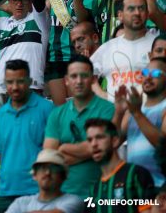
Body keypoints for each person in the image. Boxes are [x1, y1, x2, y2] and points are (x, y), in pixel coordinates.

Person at [43, 56, 115, 198]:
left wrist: (63, 149)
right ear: (66, 81)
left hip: (102, 194)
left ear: (93, 79)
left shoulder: (108, 109)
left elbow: (100, 148)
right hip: (65, 195)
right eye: (74, 76)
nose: (79, 81)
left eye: (84, 76)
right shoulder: (57, 114)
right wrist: (87, 152)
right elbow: (50, 157)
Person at [0, 60, 55, 211]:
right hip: (6, 192)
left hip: (38, 191)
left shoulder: (48, 109)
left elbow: (55, 151)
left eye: (20, 81)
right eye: (9, 82)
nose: (14, 87)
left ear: (30, 81)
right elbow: (0, 154)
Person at [91, 0, 158, 99]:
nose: (137, 13)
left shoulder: (158, 45)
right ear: (120, 16)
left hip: (150, 114)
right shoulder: (108, 48)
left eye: (141, 8)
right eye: (131, 9)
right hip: (115, 113)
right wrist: (104, 96)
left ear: (147, 13)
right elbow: (86, 74)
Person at [85, 118, 156, 212]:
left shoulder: (136, 174)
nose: (94, 144)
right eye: (90, 140)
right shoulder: (94, 188)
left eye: (99, 137)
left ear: (114, 141)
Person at [115, 57, 166, 186]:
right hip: (135, 187)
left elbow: (163, 145)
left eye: (155, 74)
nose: (148, 78)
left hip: (159, 187)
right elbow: (112, 143)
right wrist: (119, 113)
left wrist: (137, 113)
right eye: (144, 73)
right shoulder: (134, 108)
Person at [5, 150, 84, 213]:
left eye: (54, 169)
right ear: (34, 175)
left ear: (63, 176)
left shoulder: (74, 201)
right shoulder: (21, 202)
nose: (47, 173)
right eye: (42, 168)